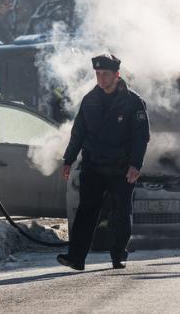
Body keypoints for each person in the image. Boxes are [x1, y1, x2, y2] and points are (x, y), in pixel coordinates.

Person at [57, 53, 150, 271]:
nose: (101, 79)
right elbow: (78, 133)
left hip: (122, 168)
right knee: (85, 212)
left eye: (105, 74)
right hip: (94, 166)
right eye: (97, 74)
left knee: (120, 213)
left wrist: (136, 164)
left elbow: (141, 137)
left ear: (117, 75)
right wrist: (68, 159)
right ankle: (76, 258)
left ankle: (118, 255)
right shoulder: (90, 100)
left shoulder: (133, 102)